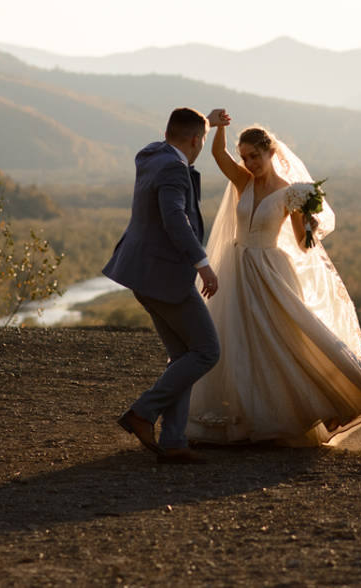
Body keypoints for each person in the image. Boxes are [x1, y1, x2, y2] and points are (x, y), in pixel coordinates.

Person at [187, 112, 361, 446]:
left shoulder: (289, 193)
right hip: (237, 266)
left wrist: (308, 219)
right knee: (239, 341)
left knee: (288, 337)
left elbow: (302, 242)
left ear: (271, 153)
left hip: (270, 269)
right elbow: (218, 156)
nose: (250, 162)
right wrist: (218, 127)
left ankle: (341, 396)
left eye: (256, 156)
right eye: (246, 156)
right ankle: (246, 418)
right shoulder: (243, 183)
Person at [103, 107, 225, 464]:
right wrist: (203, 265)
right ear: (194, 141)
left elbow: (182, 131)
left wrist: (207, 122)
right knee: (206, 351)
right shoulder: (173, 168)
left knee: (183, 356)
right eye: (201, 139)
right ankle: (143, 412)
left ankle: (173, 441)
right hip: (165, 276)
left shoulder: (152, 153)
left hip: (141, 272)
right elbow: (175, 219)